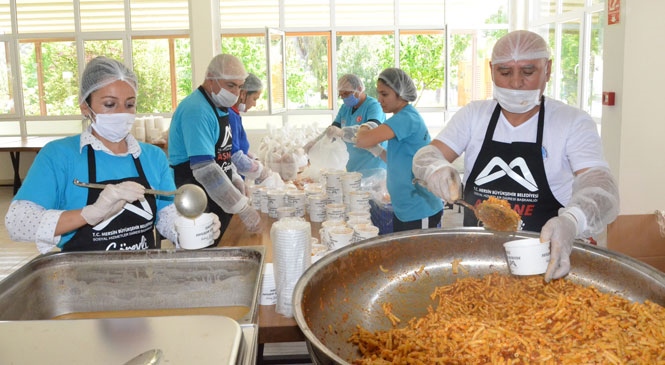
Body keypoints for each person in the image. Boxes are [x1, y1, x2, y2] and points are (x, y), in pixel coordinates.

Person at [412, 30, 620, 282]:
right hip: (477, 259)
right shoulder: (474, 115)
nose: (515, 83)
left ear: (548, 69)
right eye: (505, 72)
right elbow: (427, 154)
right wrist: (435, 168)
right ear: (491, 70)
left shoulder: (571, 122)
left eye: (528, 72)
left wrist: (572, 220)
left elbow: (600, 186)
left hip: (545, 260)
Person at [4, 56, 220, 252]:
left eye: (129, 104)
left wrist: (188, 229)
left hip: (142, 277)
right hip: (81, 281)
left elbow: (166, 215)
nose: (121, 113)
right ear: (85, 107)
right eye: (109, 104)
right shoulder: (59, 156)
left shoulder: (152, 157)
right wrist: (89, 214)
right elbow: (18, 222)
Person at [168, 54, 261, 242]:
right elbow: (205, 170)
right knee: (205, 252)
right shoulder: (197, 110)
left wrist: (234, 178)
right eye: (230, 85)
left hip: (216, 196)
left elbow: (222, 154)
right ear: (211, 79)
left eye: (239, 86)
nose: (236, 93)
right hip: (196, 198)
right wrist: (241, 207)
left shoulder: (219, 105)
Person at [353, 68, 443, 232]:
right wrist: (378, 150)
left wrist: (367, 126)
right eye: (379, 94)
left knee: (417, 256)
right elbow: (398, 160)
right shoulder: (402, 117)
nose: (380, 99)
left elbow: (361, 139)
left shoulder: (406, 118)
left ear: (401, 93)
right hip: (405, 209)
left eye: (385, 94)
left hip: (420, 209)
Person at [304, 74, 387, 175]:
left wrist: (342, 132)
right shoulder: (345, 108)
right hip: (353, 165)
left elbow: (372, 130)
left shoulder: (373, 106)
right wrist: (315, 142)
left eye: (346, 94)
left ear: (359, 89)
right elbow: (333, 129)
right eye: (341, 95)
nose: (343, 97)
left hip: (372, 165)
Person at [229, 73, 271, 182]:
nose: (254, 104)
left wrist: (253, 159)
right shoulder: (230, 116)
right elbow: (234, 155)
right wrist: (259, 170)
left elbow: (239, 147)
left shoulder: (235, 114)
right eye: (254, 99)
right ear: (243, 93)